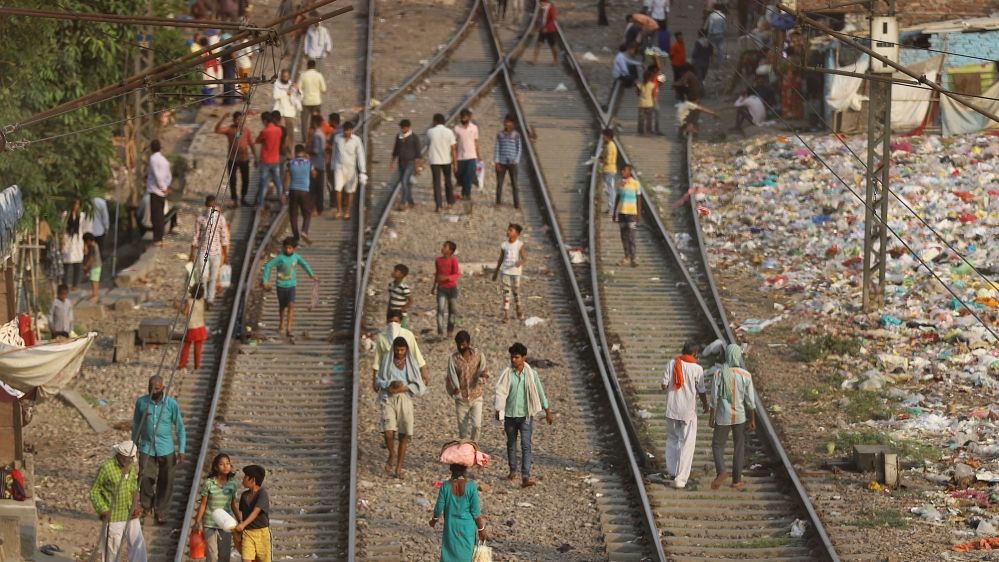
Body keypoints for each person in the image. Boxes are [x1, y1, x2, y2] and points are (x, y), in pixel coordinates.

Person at [494, 342, 552, 488]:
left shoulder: (532, 375)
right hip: (510, 416)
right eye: (512, 357)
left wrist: (547, 411)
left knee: (526, 445)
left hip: (526, 416)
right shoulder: (506, 374)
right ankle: (513, 470)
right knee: (511, 444)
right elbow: (500, 392)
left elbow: (540, 392)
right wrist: (498, 409)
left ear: (524, 358)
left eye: (517, 357)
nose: (513, 360)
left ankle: (526, 475)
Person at [132, 375, 186, 524]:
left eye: (156, 388)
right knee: (144, 476)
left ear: (163, 388)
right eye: (150, 388)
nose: (153, 391)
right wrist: (133, 444)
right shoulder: (142, 402)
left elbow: (180, 428)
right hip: (146, 447)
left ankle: (162, 510)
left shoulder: (171, 404)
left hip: (166, 448)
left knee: (166, 480)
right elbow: (136, 424)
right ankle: (147, 505)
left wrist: (181, 449)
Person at [374, 337, 429, 479]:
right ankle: (392, 454)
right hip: (388, 399)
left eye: (402, 350)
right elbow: (378, 380)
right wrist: (390, 383)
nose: (399, 353)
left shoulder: (411, 363)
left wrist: (403, 388)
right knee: (388, 432)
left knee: (403, 435)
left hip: (405, 399)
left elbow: (419, 386)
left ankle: (398, 468)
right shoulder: (387, 361)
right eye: (397, 350)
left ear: (406, 350)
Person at [661, 342, 708, 489]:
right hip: (688, 411)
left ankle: (672, 471)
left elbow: (663, 385)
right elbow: (701, 390)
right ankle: (680, 480)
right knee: (686, 444)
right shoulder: (697, 369)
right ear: (694, 354)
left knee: (672, 439)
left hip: (672, 409)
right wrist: (705, 405)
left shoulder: (672, 363)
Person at [710, 344, 757, 489]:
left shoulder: (718, 373)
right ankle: (736, 481)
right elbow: (750, 401)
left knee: (717, 445)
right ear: (738, 356)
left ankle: (722, 471)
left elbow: (713, 398)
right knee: (739, 447)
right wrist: (752, 419)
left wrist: (711, 416)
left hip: (723, 416)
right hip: (739, 417)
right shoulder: (746, 375)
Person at [90, 441, 146, 562]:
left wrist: (135, 507)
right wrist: (103, 509)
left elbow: (134, 489)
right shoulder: (106, 468)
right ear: (119, 455)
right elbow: (94, 491)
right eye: (128, 458)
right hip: (114, 516)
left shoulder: (130, 468)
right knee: (113, 550)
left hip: (130, 514)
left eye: (132, 458)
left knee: (138, 545)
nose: (130, 461)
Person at [261, 237, 319, 337]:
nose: (288, 250)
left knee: (291, 304)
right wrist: (265, 280)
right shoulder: (280, 258)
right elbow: (268, 266)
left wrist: (311, 275)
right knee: (283, 306)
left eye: (290, 248)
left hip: (291, 285)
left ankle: (289, 328)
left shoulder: (296, 257)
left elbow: (304, 265)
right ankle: (282, 323)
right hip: (281, 285)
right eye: (286, 248)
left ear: (294, 248)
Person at [430, 463, 487, 561]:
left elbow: (439, 507)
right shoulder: (471, 486)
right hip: (467, 528)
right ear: (465, 470)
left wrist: (434, 520)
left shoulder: (445, 486)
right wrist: (481, 529)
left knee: (449, 553)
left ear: (450, 469)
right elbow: (475, 511)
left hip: (450, 527)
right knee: (466, 554)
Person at [193, 453, 241, 562]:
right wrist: (197, 522)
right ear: (216, 467)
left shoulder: (232, 484)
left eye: (228, 463)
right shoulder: (209, 483)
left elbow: (234, 504)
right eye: (222, 464)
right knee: (212, 556)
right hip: (209, 523)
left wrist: (240, 520)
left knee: (224, 556)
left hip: (227, 524)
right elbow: (203, 504)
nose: (226, 466)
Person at [446, 331, 489, 442]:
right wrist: (453, 391)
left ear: (468, 343)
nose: (461, 346)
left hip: (476, 396)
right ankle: (465, 452)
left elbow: (484, 370)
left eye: (463, 344)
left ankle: (474, 447)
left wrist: (483, 375)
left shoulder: (478, 356)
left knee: (477, 426)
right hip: (461, 399)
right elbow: (450, 378)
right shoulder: (453, 360)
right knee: (463, 431)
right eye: (459, 344)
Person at [190, 195, 230, 309]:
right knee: (203, 276)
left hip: (216, 253)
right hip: (203, 252)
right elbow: (195, 237)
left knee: (212, 278)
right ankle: (204, 297)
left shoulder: (220, 219)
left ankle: (210, 300)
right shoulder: (200, 219)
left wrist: (226, 256)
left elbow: (224, 238)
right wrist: (192, 254)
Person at [215, 112, 258, 207]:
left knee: (245, 179)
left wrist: (255, 157)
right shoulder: (229, 129)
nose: (240, 122)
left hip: (244, 158)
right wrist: (223, 118)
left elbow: (251, 144)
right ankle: (235, 200)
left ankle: (243, 198)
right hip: (232, 158)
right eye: (237, 120)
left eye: (241, 120)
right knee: (232, 180)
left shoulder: (246, 130)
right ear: (234, 120)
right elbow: (217, 130)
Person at [329, 121, 366, 219]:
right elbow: (334, 154)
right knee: (337, 189)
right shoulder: (337, 138)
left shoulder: (356, 140)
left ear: (351, 130)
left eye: (349, 130)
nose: (347, 132)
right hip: (339, 168)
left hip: (351, 169)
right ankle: (339, 210)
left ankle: (347, 211)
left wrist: (362, 170)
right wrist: (332, 167)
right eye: (345, 130)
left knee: (349, 191)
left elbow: (360, 155)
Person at [234, 465, 271, 562]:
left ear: (252, 480)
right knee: (246, 559)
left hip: (261, 533)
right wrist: (239, 522)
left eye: (245, 476)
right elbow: (242, 512)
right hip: (248, 533)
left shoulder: (262, 494)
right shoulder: (244, 495)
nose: (243, 479)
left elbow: (255, 512)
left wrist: (242, 525)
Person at [491, 224, 525, 322]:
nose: (508, 232)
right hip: (506, 271)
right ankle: (506, 315)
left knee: (516, 292)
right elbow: (501, 259)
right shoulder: (504, 245)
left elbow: (524, 257)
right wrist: (496, 272)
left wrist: (520, 263)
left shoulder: (519, 244)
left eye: (511, 230)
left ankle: (518, 308)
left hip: (516, 272)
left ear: (516, 234)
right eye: (508, 230)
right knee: (506, 292)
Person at [283, 144, 316, 243]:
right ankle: (304, 231)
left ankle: (296, 237)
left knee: (293, 214)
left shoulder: (290, 163)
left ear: (295, 152)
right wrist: (309, 160)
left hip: (293, 190)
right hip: (304, 191)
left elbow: (286, 179)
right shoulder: (308, 163)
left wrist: (283, 192)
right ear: (304, 152)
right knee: (307, 213)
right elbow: (314, 175)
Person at [426, 113, 457, 212]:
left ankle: (439, 206)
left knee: (437, 183)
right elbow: (453, 149)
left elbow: (428, 144)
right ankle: (450, 202)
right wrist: (455, 163)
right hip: (446, 160)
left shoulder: (430, 132)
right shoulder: (449, 132)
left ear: (435, 121)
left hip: (434, 160)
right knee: (448, 181)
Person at [390, 119, 422, 211]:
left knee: (404, 181)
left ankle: (402, 203)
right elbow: (395, 151)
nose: (402, 130)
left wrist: (418, 166)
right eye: (401, 128)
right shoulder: (398, 137)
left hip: (410, 163)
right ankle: (411, 202)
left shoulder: (414, 138)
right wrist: (392, 163)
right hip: (401, 164)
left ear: (409, 127)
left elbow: (419, 154)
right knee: (406, 183)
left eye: (404, 128)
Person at [613, 165, 641, 266]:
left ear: (630, 172)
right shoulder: (619, 184)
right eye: (622, 170)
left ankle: (633, 257)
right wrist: (614, 211)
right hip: (621, 212)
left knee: (631, 235)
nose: (622, 172)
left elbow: (639, 199)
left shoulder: (635, 184)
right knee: (624, 235)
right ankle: (627, 256)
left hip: (632, 213)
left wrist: (638, 213)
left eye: (624, 170)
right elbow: (617, 197)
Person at [255, 112, 284, 210]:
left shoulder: (265, 131)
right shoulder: (279, 130)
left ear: (264, 121)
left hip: (265, 160)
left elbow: (257, 141)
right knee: (277, 181)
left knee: (263, 183)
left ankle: (261, 204)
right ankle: (281, 200)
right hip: (275, 159)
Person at [176, 284, 208, 370]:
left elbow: (185, 312)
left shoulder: (189, 301)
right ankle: (197, 365)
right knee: (198, 348)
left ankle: (182, 364)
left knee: (187, 345)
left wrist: (178, 305)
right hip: (201, 326)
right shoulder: (201, 300)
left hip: (192, 326)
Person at [146, 140, 172, 246]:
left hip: (155, 190)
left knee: (156, 216)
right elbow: (169, 176)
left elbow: (157, 176)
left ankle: (157, 239)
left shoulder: (153, 159)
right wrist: (165, 186)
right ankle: (159, 238)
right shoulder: (164, 160)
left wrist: (162, 187)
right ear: (160, 148)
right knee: (160, 215)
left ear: (151, 148)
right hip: (162, 191)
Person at [494, 114, 522, 209]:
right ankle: (498, 202)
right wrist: (497, 161)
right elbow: (497, 148)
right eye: (506, 122)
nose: (507, 124)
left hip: (512, 162)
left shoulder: (516, 135)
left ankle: (516, 203)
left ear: (512, 123)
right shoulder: (500, 135)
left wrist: (516, 160)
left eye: (509, 122)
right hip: (501, 162)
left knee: (514, 183)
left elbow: (519, 149)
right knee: (499, 183)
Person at [433, 241, 460, 339]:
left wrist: (447, 278)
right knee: (440, 309)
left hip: (452, 288)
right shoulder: (438, 260)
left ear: (450, 251)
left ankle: (450, 331)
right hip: (441, 288)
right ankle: (440, 332)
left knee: (452, 310)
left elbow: (457, 274)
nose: (442, 248)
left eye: (445, 246)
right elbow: (437, 274)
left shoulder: (453, 261)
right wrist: (434, 286)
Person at [453, 109, 479, 202]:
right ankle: (464, 189)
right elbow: (454, 144)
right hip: (460, 156)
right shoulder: (456, 128)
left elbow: (476, 141)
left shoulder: (474, 128)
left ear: (468, 117)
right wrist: (454, 159)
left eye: (465, 117)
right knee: (460, 174)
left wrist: (478, 155)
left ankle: (467, 194)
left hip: (471, 155)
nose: (464, 119)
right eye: (462, 118)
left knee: (469, 174)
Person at [272, 69, 300, 158]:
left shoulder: (292, 85)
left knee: (290, 135)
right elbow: (276, 96)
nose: (285, 78)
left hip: (290, 113)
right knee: (281, 135)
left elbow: (299, 98)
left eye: (286, 76)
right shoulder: (277, 84)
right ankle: (280, 153)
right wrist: (285, 92)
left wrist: (298, 89)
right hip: (280, 113)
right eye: (283, 76)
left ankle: (290, 154)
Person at [299, 59, 327, 143]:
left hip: (306, 101)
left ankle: (305, 139)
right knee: (315, 121)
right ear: (315, 66)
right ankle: (314, 138)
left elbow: (298, 87)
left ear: (307, 66)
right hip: (316, 101)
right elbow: (324, 89)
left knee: (304, 120)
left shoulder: (303, 75)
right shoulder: (319, 75)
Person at [308, 114, 328, 215]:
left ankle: (313, 208)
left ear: (313, 123)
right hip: (322, 164)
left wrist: (307, 152)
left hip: (315, 164)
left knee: (312, 188)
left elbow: (315, 150)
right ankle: (320, 208)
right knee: (320, 188)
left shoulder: (316, 135)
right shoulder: (322, 134)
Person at [779, 42, 805, 120]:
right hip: (796, 81)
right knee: (796, 98)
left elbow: (782, 72)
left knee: (786, 98)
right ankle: (797, 115)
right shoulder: (798, 60)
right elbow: (800, 71)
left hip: (786, 82)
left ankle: (787, 115)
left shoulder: (784, 61)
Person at [530, 0, 558, 66]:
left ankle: (555, 60)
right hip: (542, 29)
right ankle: (534, 60)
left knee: (552, 45)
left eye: (541, 2)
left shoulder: (551, 9)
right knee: (538, 44)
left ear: (545, 2)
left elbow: (553, 20)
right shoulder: (542, 9)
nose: (540, 4)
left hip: (550, 30)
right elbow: (540, 19)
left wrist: (547, 28)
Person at [387, 264, 413, 328]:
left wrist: (402, 309)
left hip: (400, 314)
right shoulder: (391, 284)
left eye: (396, 271)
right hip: (392, 312)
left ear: (401, 275)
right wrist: (388, 310)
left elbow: (411, 300)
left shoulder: (404, 287)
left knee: (401, 330)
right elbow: (391, 298)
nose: (393, 272)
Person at [599, 129, 618, 216]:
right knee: (609, 189)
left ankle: (611, 210)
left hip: (609, 170)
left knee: (610, 190)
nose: (603, 137)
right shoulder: (609, 145)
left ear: (608, 137)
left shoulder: (610, 146)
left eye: (604, 136)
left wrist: (602, 157)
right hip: (608, 170)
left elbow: (608, 160)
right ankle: (610, 208)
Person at [704, 3, 727, 69]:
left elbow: (710, 25)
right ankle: (718, 64)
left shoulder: (711, 16)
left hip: (712, 35)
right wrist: (723, 33)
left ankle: (710, 64)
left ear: (714, 8)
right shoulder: (723, 15)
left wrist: (708, 34)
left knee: (710, 50)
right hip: (720, 35)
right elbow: (724, 27)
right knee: (720, 50)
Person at [636, 66, 656, 136]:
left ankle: (641, 132)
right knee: (649, 118)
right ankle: (648, 131)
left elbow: (637, 93)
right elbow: (653, 94)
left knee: (641, 118)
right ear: (650, 77)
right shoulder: (652, 85)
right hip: (649, 103)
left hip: (641, 103)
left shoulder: (639, 84)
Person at [82, 233, 101, 302]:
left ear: (88, 240)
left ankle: (94, 295)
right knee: (96, 281)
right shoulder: (95, 245)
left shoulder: (92, 247)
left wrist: (86, 266)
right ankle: (95, 294)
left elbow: (91, 258)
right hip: (98, 265)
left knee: (93, 281)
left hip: (94, 266)